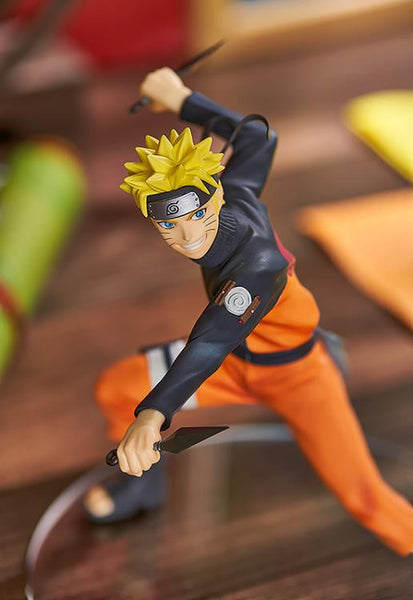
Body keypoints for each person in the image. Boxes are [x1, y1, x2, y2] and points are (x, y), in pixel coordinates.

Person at [84, 68, 413, 556]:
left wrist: (153, 415)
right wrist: (182, 99)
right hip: (238, 366)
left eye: (198, 215)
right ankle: (142, 487)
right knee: (117, 387)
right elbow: (258, 137)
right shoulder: (236, 189)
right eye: (169, 225)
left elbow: (210, 341)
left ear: (215, 196)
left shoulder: (258, 264)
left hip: (298, 376)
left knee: (362, 493)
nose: (187, 236)